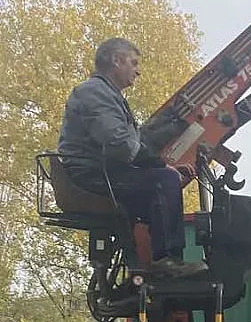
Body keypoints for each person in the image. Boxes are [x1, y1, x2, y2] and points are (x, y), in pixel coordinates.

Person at [57, 37, 200, 277]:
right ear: (116, 60)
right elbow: (120, 144)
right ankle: (167, 261)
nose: (138, 71)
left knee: (162, 184)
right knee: (164, 182)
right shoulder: (94, 92)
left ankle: (153, 260)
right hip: (91, 175)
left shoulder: (106, 95)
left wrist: (171, 129)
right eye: (133, 63)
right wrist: (162, 166)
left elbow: (136, 141)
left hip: (100, 171)